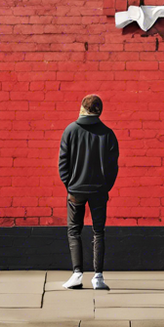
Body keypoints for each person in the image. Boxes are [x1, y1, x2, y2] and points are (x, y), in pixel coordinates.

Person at [58, 94, 119, 290]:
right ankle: (98, 277)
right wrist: (105, 186)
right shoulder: (108, 133)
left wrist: (69, 184)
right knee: (98, 232)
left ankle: (77, 274)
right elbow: (113, 167)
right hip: (99, 191)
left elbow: (63, 163)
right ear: (100, 110)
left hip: (75, 190)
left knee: (74, 231)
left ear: (82, 108)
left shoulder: (70, 130)